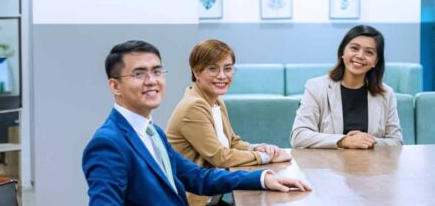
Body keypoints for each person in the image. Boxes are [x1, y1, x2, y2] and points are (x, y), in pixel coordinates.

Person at [82, 40, 311, 205]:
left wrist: (262, 178)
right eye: (139, 74)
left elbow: (198, 177)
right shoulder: (108, 143)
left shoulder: (153, 132)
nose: (152, 81)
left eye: (157, 72)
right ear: (115, 86)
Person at [165, 39, 293, 206]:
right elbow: (220, 157)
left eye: (227, 68)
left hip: (213, 197)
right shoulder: (193, 106)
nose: (222, 76)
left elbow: (232, 142)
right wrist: (266, 157)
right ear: (196, 72)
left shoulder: (216, 101)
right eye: (213, 69)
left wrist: (258, 148)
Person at [290, 25, 404, 149]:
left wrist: (367, 141)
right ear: (342, 52)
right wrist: (344, 141)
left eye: (369, 52)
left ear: (376, 61)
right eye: (354, 48)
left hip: (371, 161)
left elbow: (396, 141)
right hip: (327, 161)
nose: (360, 56)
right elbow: (299, 136)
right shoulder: (316, 87)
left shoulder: (386, 93)